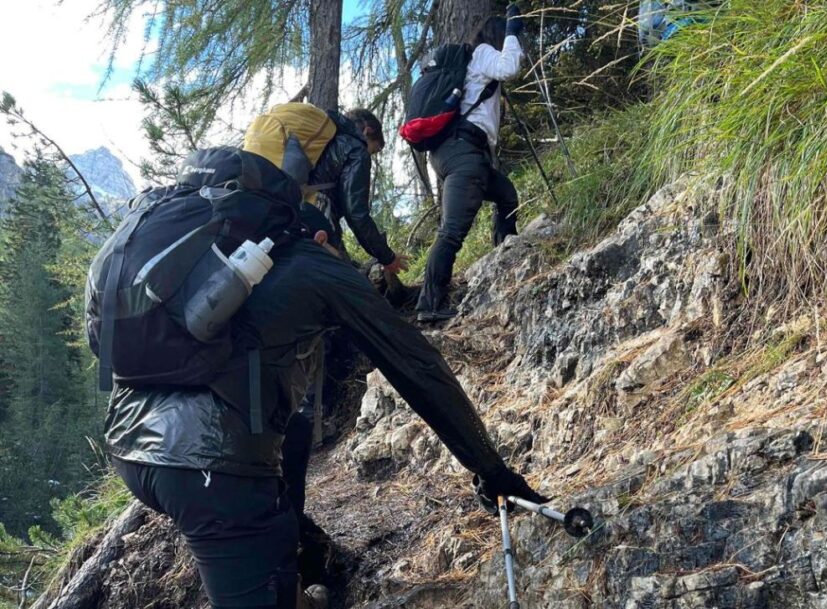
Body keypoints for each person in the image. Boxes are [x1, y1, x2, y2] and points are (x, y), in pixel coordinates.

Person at [103, 187, 545, 608]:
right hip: (209, 470)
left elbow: (290, 424)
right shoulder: (316, 264)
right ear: (320, 238)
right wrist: (491, 469)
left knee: (284, 452)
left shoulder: (219, 269)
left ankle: (299, 567)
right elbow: (416, 365)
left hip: (129, 447)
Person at [415, 7, 526, 323]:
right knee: (452, 231)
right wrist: (512, 32)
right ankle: (429, 304)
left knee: (506, 194)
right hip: (464, 151)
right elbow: (509, 68)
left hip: (458, 151)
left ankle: (505, 254)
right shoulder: (482, 52)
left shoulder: (471, 60)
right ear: (495, 34)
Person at [309, 108, 410, 274]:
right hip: (318, 215)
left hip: (299, 210)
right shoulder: (357, 150)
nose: (371, 154)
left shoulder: (330, 141)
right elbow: (356, 213)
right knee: (344, 282)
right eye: (375, 149)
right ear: (368, 131)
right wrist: (387, 257)